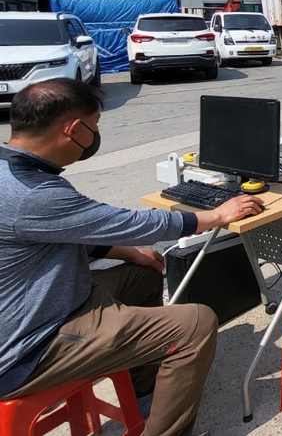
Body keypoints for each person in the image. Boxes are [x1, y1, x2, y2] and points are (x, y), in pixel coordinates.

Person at [0, 78, 264, 436]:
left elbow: (50, 231)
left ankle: (145, 389)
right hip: (30, 344)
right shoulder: (33, 194)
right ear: (73, 130)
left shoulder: (10, 169)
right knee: (196, 323)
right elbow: (133, 223)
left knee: (146, 269)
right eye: (93, 128)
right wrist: (215, 216)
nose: (93, 137)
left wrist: (127, 253)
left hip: (44, 300)